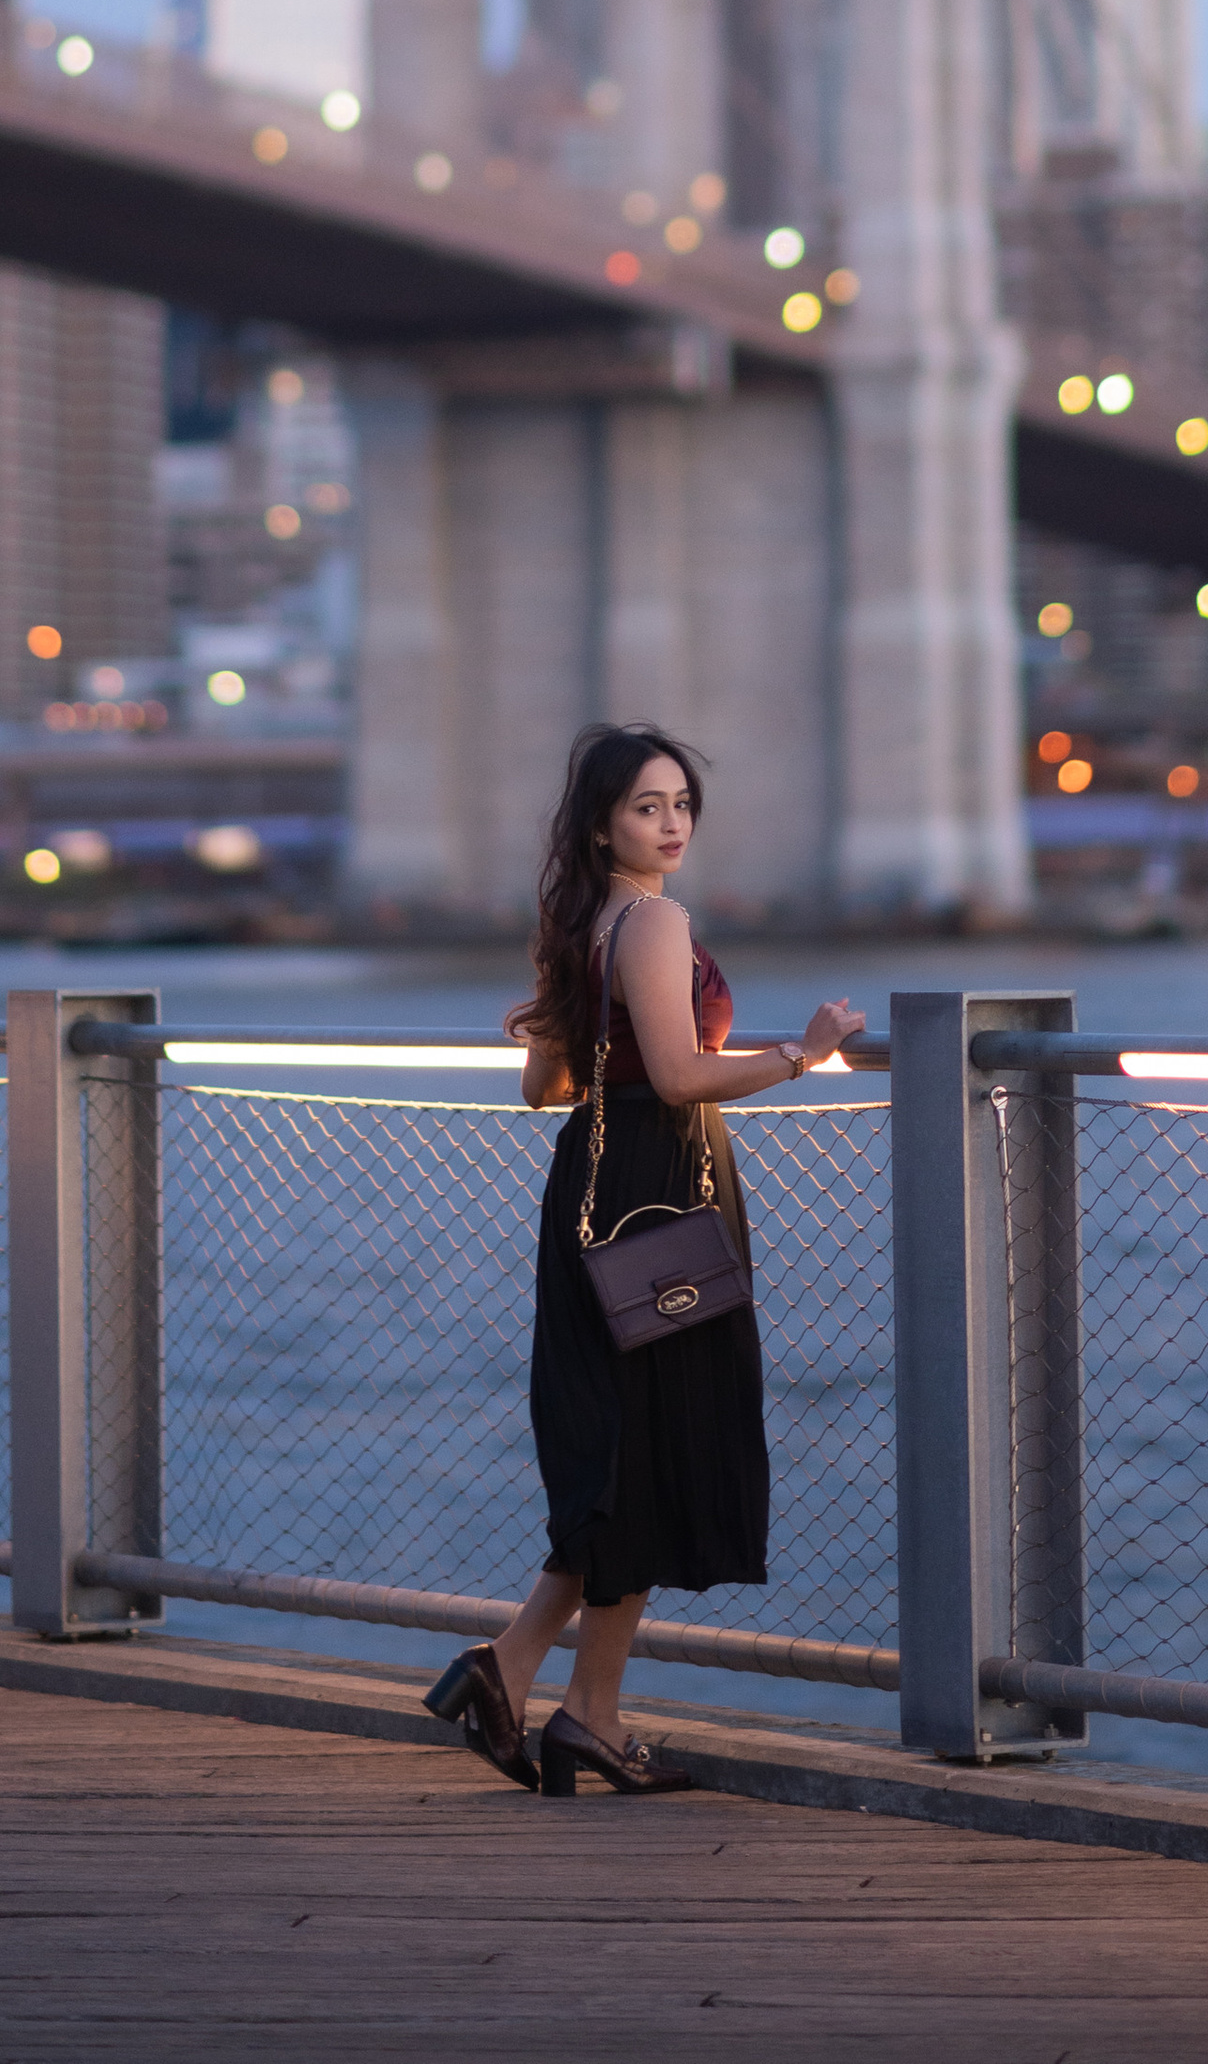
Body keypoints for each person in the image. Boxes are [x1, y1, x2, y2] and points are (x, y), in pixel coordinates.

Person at [424, 721, 865, 1796]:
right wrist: (802, 1052)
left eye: (680, 805)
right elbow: (675, 1077)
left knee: (624, 1449)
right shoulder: (654, 922)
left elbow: (546, 1090)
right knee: (645, 1452)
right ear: (601, 823)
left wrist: (560, 1027)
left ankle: (533, 1681)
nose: (670, 825)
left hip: (590, 1189)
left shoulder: (580, 922)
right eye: (645, 807)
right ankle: (577, 1706)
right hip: (660, 1190)